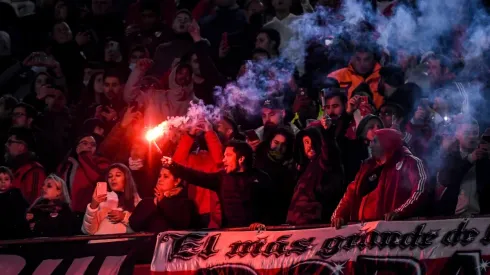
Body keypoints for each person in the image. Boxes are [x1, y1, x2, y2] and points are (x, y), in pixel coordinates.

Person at [331, 129, 428, 228]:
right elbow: (351, 193)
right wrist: (338, 215)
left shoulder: (410, 163)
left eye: (375, 141)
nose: (370, 145)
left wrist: (400, 212)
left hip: (394, 231)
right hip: (363, 230)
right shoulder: (367, 167)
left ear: (386, 142)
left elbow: (420, 190)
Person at [161, 140, 272, 228]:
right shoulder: (221, 178)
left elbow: (271, 206)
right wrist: (173, 165)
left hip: (255, 236)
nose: (224, 160)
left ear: (241, 159)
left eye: (228, 155)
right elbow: (196, 176)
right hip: (229, 234)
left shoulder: (262, 178)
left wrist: (262, 223)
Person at [286, 116, 344, 225]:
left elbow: (330, 152)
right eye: (306, 142)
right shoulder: (304, 169)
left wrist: (327, 133)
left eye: (313, 141)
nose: (310, 146)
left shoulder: (324, 163)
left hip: (315, 225)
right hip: (297, 225)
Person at [172, 120, 223, 228]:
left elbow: (219, 160)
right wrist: (190, 135)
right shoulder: (191, 159)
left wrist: (209, 131)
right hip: (195, 209)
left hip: (213, 210)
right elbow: (176, 164)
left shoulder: (212, 157)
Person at [436, 118, 490, 217]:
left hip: (481, 217)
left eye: (475, 133)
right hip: (452, 216)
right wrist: (470, 159)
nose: (472, 136)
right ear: (457, 134)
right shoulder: (450, 157)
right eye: (467, 133)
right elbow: (445, 179)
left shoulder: (485, 158)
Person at [129, 167, 197, 232]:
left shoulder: (186, 203)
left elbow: (182, 225)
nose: (160, 180)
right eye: (159, 176)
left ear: (177, 181)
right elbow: (134, 225)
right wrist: (154, 204)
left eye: (165, 176)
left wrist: (162, 202)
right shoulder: (146, 202)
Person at [82, 163, 141, 237]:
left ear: (126, 178)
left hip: (124, 245)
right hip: (98, 245)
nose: (113, 179)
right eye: (110, 176)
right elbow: (89, 231)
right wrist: (93, 206)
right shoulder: (102, 201)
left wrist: (124, 217)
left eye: (118, 175)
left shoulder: (137, 202)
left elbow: (141, 228)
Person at [255, 127, 296, 225]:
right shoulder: (257, 161)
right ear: (270, 142)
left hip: (277, 220)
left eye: (283, 145)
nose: (279, 148)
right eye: (276, 142)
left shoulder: (289, 169)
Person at [327, 42, 383, 108]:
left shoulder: (383, 78)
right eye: (358, 59)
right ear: (352, 58)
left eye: (367, 59)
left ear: (374, 59)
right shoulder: (336, 77)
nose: (362, 64)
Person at [5, 127, 46, 203]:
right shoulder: (12, 169)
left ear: (21, 146)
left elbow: (33, 203)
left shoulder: (34, 170)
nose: (6, 145)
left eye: (10, 142)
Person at [0, 166, 30, 239]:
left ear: (11, 182)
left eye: (6, 179)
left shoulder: (16, 194)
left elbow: (23, 211)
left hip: (14, 233)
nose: (3, 182)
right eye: (0, 179)